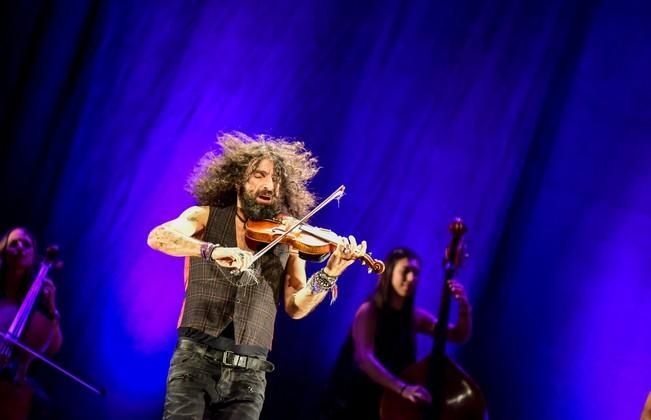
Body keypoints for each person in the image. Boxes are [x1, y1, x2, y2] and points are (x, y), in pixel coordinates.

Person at [148, 132, 367, 420]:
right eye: (259, 176)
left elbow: (296, 306)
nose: (269, 185)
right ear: (238, 179)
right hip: (194, 364)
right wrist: (211, 251)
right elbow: (159, 237)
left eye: (276, 179)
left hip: (249, 379)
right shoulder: (203, 216)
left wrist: (328, 274)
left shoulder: (288, 236)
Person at [320, 247, 472, 420]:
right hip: (356, 400)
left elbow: (457, 335)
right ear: (390, 273)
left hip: (390, 402)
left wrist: (464, 307)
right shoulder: (369, 310)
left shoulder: (414, 317)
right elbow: (365, 359)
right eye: (405, 271)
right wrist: (402, 388)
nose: (411, 278)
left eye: (415, 272)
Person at [0, 227, 62, 420]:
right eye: (13, 243)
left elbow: (53, 347)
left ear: (33, 255)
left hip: (12, 379)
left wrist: (51, 310)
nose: (20, 247)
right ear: (3, 251)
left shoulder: (35, 301)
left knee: (42, 404)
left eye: (26, 244)